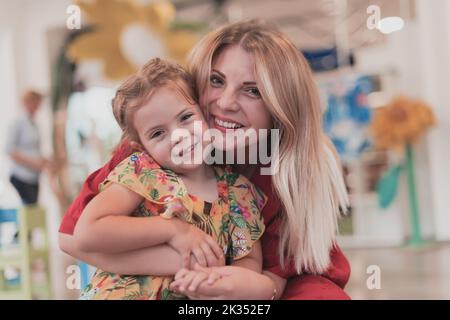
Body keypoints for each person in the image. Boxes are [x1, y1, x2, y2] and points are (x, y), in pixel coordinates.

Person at [59, 19, 351, 300]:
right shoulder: (148, 157)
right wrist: (181, 249)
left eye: (252, 90)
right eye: (216, 80)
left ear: (279, 105)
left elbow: (265, 280)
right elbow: (73, 238)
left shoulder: (267, 182)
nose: (225, 103)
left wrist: (219, 279)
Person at [74, 58, 268, 300]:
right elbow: (87, 232)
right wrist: (173, 230)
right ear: (141, 146)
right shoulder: (143, 172)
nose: (178, 136)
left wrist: (221, 284)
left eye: (186, 117)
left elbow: (248, 260)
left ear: (205, 114)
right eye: (157, 133)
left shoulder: (238, 192)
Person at [6, 90, 49, 205]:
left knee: (34, 210)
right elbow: (9, 151)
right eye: (35, 102)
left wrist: (43, 161)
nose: (37, 106)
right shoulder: (18, 123)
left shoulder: (34, 124)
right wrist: (33, 162)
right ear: (26, 103)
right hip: (21, 176)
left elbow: (33, 149)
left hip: (34, 177)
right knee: (29, 212)